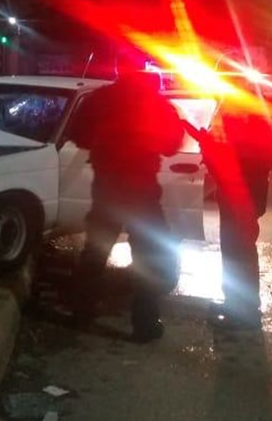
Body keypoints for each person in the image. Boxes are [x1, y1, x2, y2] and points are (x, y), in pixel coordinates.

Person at [68, 58, 186, 343]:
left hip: (107, 186)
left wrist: (104, 143)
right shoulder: (157, 104)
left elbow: (77, 135)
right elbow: (172, 144)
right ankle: (145, 325)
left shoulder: (100, 99)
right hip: (142, 190)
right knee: (147, 257)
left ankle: (82, 314)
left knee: (95, 251)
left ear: (120, 70)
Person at [185, 80, 272, 330]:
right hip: (245, 191)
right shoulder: (254, 114)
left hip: (240, 192)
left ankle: (242, 311)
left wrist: (206, 143)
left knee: (238, 250)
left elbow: (234, 155)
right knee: (238, 249)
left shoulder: (245, 116)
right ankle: (239, 306)